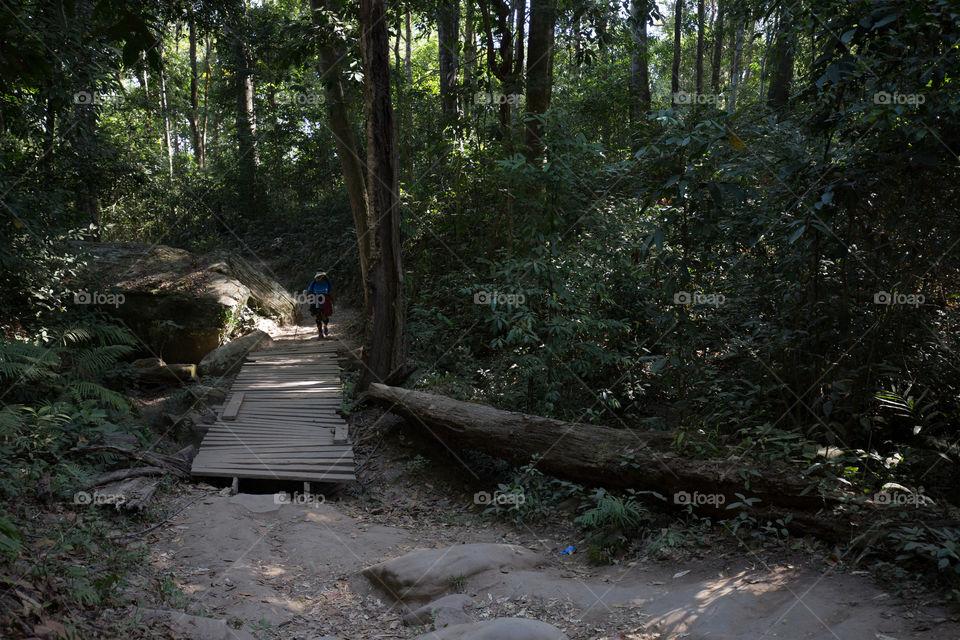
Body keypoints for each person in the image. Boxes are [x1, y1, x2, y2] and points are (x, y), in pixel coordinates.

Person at [305, 271, 334, 339]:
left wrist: (332, 300)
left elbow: (331, 292)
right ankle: (320, 333)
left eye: (319, 276)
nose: (318, 278)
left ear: (323, 276)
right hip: (316, 300)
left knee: (325, 317)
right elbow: (309, 291)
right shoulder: (313, 283)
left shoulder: (327, 283)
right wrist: (307, 294)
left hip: (325, 301)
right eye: (317, 277)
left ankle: (325, 326)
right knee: (318, 317)